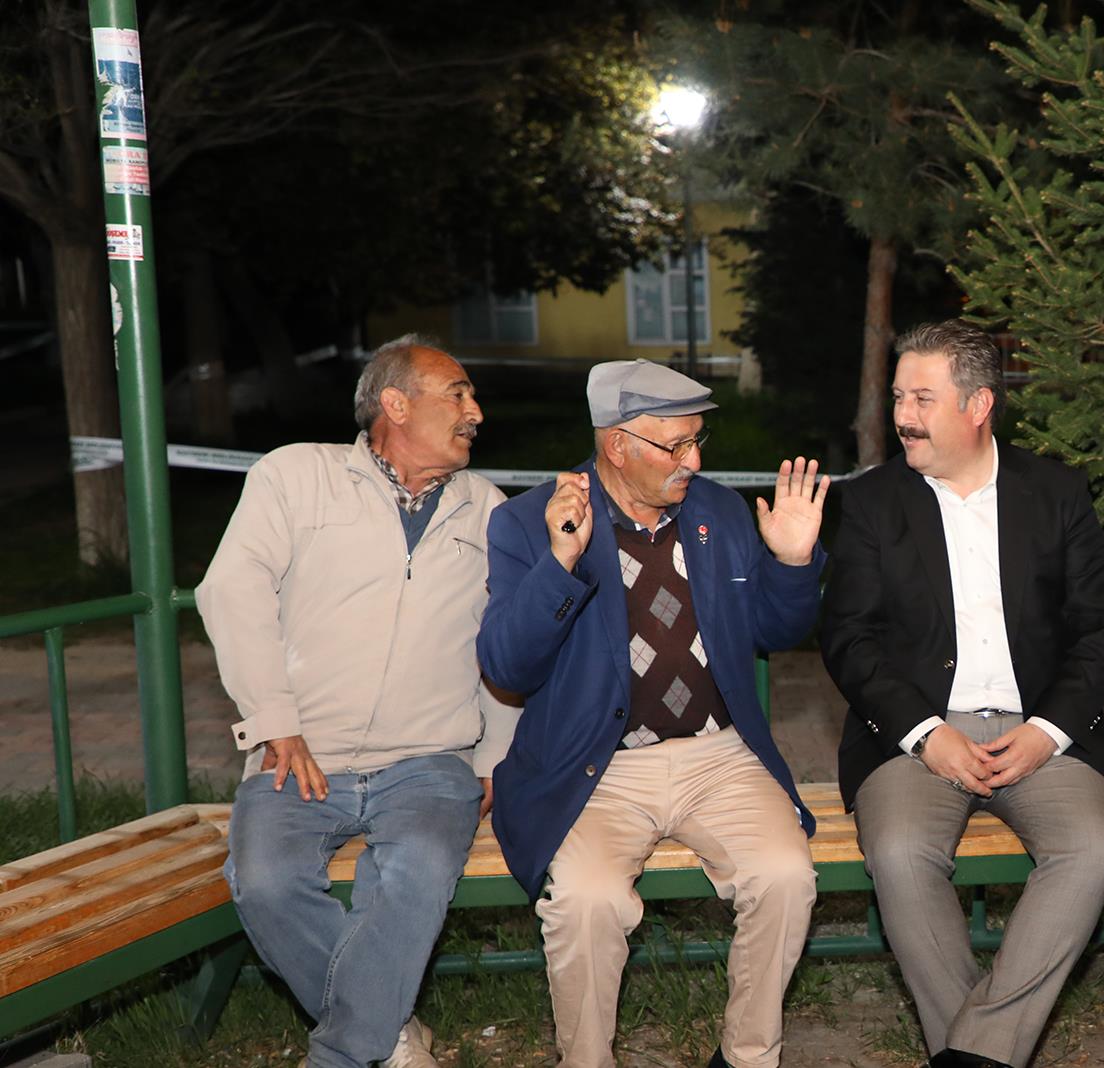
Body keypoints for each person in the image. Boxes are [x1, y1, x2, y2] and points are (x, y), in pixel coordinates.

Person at [476, 360, 829, 1068]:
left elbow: (774, 630)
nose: (694, 461)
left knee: (787, 877)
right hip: (594, 766)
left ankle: (748, 1056)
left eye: (698, 441)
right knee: (586, 902)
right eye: (676, 446)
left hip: (718, 756)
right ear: (617, 445)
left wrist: (793, 563)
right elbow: (507, 668)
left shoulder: (718, 512)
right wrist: (560, 563)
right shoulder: (530, 522)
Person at [819, 320, 1104, 1068]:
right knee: (899, 851)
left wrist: (1049, 730)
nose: (903, 415)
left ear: (979, 404)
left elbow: (1102, 628)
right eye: (899, 397)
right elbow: (849, 639)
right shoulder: (871, 503)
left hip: (1040, 728)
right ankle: (983, 1051)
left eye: (922, 399)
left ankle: (973, 1054)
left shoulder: (1054, 492)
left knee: (1091, 846)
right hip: (914, 732)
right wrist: (925, 733)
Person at [198, 335, 514, 1068]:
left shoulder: (488, 509)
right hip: (302, 750)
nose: (476, 411)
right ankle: (388, 1031)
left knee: (416, 872)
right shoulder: (295, 476)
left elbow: (503, 642)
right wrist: (275, 721)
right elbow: (231, 590)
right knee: (265, 883)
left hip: (431, 759)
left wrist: (495, 754)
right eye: (458, 393)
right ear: (395, 404)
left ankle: (342, 1053)